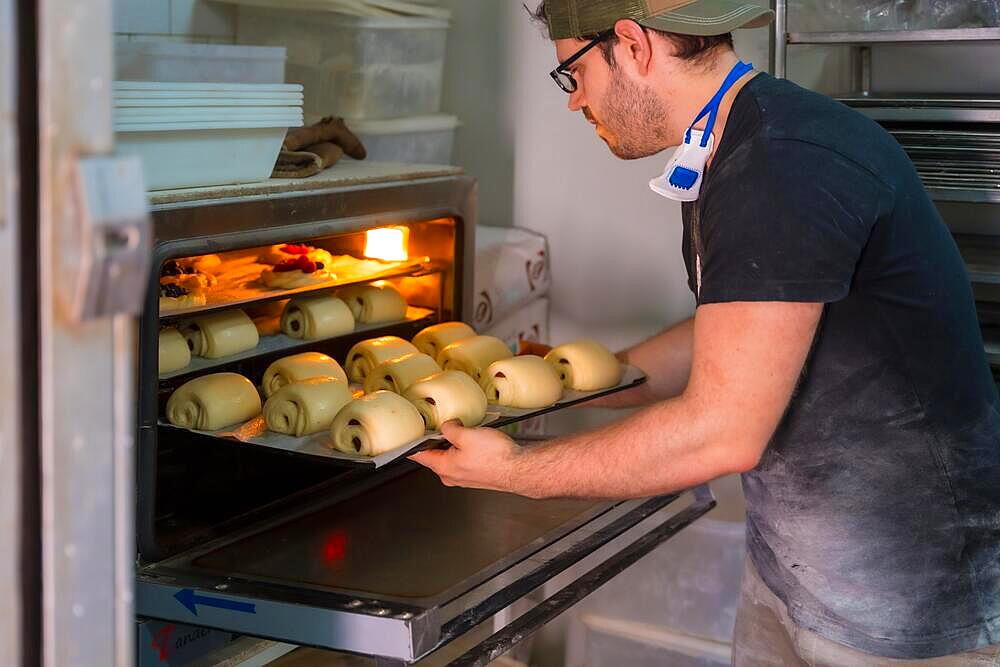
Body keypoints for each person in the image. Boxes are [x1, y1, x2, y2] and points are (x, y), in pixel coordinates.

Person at [410, 1, 1000, 664]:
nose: (575, 103)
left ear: (631, 45)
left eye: (573, 75)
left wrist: (515, 470)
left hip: (907, 608)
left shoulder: (782, 162)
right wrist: (567, 383)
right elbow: (738, 334)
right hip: (795, 574)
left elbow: (723, 428)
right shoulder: (735, 143)